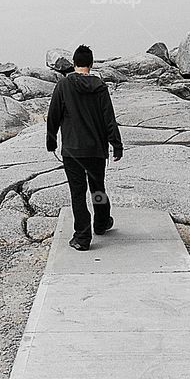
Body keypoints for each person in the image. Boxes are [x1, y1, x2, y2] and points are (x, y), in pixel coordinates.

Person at [45, 45, 123, 251]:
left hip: (72, 151)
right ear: (91, 63)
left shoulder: (63, 86)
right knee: (98, 188)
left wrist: (51, 141)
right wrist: (117, 144)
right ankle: (101, 223)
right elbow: (109, 119)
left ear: (74, 62)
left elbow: (53, 116)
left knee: (77, 194)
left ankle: (82, 237)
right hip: (96, 150)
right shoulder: (100, 87)